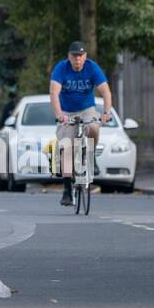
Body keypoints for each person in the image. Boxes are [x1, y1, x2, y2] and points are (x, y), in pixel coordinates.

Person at [50, 41, 114, 206]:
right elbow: (54, 92)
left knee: (93, 127)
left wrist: (106, 112)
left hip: (87, 109)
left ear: (85, 56)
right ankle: (66, 191)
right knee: (66, 147)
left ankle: (91, 157)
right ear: (69, 57)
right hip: (67, 112)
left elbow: (105, 91)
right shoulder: (61, 68)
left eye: (80, 56)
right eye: (74, 56)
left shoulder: (92, 68)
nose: (77, 60)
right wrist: (59, 115)